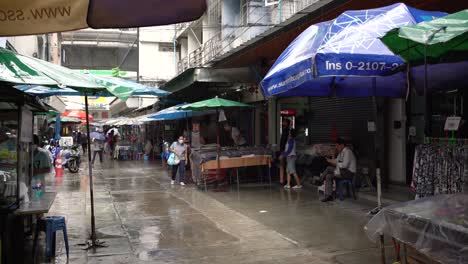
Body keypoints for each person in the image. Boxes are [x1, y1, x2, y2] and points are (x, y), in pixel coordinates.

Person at [320, 138, 357, 202]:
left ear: (342, 145)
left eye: (337, 146)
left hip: (349, 173)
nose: (336, 147)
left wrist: (336, 163)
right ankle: (329, 196)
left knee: (329, 168)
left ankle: (320, 180)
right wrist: (332, 157)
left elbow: (344, 165)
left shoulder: (348, 152)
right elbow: (335, 162)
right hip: (342, 172)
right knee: (328, 176)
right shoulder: (341, 153)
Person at [279, 119, 291, 185]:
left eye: (284, 122)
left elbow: (283, 142)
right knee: (286, 166)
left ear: (286, 123)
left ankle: (282, 180)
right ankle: (286, 180)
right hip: (286, 150)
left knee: (282, 165)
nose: (282, 123)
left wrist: (282, 152)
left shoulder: (285, 131)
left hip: (283, 150)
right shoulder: (288, 130)